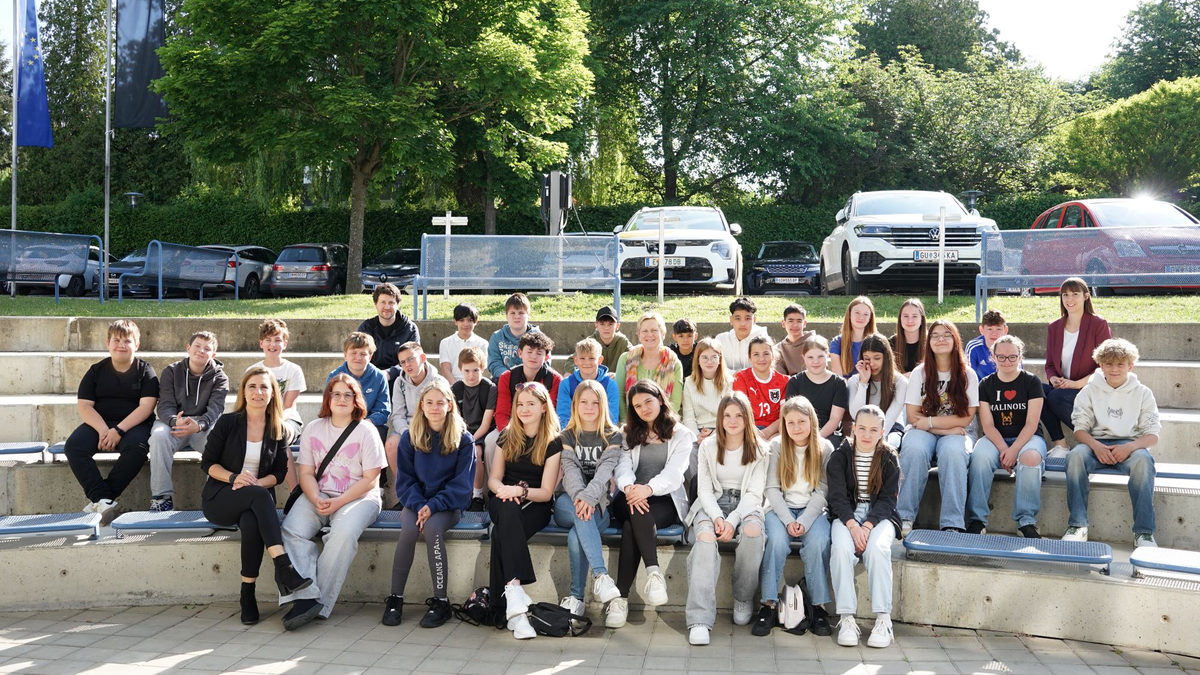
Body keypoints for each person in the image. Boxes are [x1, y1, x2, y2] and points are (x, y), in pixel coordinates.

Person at [200, 367, 310, 626]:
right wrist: (233, 477)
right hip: (221, 497)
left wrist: (257, 483)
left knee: (252, 521)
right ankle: (284, 568)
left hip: (255, 502)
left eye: (264, 387)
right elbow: (207, 463)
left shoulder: (278, 429)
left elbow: (280, 473)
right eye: (252, 386)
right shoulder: (228, 422)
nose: (258, 392)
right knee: (260, 498)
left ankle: (247, 594)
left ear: (273, 394)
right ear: (244, 392)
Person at [279, 374, 387, 629]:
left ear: (355, 400)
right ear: (328, 398)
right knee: (290, 531)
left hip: (359, 497)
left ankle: (317, 601)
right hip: (319, 493)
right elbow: (305, 472)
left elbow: (372, 479)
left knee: (343, 534)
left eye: (347, 394)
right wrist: (315, 497)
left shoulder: (366, 430)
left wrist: (338, 504)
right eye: (336, 394)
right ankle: (305, 596)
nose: (341, 399)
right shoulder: (314, 428)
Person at [384, 380, 475, 628]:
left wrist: (433, 506)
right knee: (410, 530)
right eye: (429, 402)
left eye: (440, 402)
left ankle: (441, 601)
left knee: (433, 529)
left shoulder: (463, 439)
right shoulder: (410, 437)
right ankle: (395, 598)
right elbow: (405, 481)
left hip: (448, 505)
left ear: (449, 405)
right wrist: (420, 504)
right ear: (421, 406)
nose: (434, 408)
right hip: (416, 502)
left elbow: (461, 486)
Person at [608, 380, 696, 629]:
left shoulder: (682, 434)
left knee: (631, 527)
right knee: (636, 509)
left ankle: (620, 599)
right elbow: (622, 467)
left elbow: (675, 473)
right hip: (628, 496)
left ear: (660, 398)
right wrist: (631, 488)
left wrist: (647, 489)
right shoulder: (627, 433)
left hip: (663, 500)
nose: (644, 408)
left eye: (648, 401)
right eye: (637, 406)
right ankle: (654, 573)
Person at [684, 392, 768, 646]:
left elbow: (754, 494)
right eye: (727, 415)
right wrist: (719, 517)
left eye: (739, 415)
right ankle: (699, 618)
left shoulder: (761, 449)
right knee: (706, 538)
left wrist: (733, 520)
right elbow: (705, 490)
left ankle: (742, 596)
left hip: (746, 504)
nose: (732, 421)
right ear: (720, 418)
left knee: (753, 533)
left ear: (747, 418)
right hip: (712, 504)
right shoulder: (708, 447)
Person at [1064, 338, 1160, 547]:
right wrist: (1096, 446)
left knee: (1144, 462)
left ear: (1130, 366)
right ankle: (1078, 525)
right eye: (1109, 364)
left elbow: (1152, 435)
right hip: (1094, 443)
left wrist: (1130, 447)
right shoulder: (1088, 391)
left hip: (1129, 444)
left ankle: (1144, 532)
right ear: (1100, 365)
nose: (1114, 369)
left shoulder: (1143, 393)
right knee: (1074, 457)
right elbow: (1080, 430)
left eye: (1120, 364)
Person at [486, 381, 563, 640]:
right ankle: (516, 593)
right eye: (520, 404)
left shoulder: (553, 442)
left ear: (544, 407)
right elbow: (494, 479)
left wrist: (519, 491)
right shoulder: (507, 435)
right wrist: (504, 491)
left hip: (535, 503)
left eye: (531, 404)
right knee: (506, 512)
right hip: (502, 497)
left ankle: (511, 609)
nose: (524, 409)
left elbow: (546, 492)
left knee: (500, 534)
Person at [755, 396, 833, 638]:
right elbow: (771, 489)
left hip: (812, 510)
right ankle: (768, 604)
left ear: (812, 421)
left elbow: (822, 490)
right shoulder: (777, 446)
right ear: (783, 424)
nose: (797, 427)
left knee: (819, 541)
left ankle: (818, 606)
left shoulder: (824, 448)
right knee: (776, 541)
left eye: (802, 421)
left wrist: (805, 521)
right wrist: (789, 520)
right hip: (780, 509)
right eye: (791, 423)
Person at [67, 319, 159, 522]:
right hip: (100, 422)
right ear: (107, 343)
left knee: (138, 447)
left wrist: (117, 430)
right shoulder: (95, 371)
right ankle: (103, 499)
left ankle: (101, 499)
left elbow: (146, 407)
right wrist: (103, 430)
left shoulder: (146, 372)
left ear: (137, 345)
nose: (121, 345)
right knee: (74, 446)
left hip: (134, 424)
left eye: (128, 340)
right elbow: (84, 406)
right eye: (116, 340)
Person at [827, 405, 901, 649]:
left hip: (879, 516)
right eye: (861, 428)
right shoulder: (840, 456)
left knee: (878, 550)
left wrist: (867, 526)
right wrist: (852, 525)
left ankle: (883, 619)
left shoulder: (889, 457)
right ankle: (846, 618)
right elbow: (837, 497)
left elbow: (889, 499)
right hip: (846, 515)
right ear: (853, 429)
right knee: (840, 550)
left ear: (882, 431)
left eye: (873, 430)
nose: (867, 435)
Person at [897, 320, 979, 535]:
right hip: (925, 429)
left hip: (953, 430)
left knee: (953, 452)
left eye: (946, 335)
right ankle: (903, 517)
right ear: (928, 342)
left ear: (955, 340)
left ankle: (952, 522)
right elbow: (913, 416)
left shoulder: (968, 374)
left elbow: (966, 418)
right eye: (935, 335)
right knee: (914, 448)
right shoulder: (919, 373)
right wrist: (942, 429)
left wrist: (931, 423)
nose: (940, 339)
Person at [553, 380, 625, 620]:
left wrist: (589, 499)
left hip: (599, 505)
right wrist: (582, 498)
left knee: (577, 534)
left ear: (603, 405)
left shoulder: (613, 436)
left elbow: (605, 471)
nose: (589, 407)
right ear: (575, 405)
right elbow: (571, 471)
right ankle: (601, 576)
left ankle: (577, 598)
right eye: (583, 401)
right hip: (568, 502)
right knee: (580, 513)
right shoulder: (567, 435)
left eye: (595, 402)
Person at [966, 336, 1046, 537]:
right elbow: (988, 425)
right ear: (993, 357)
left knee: (1029, 458)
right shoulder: (985, 384)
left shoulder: (1031, 381)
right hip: (996, 438)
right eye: (1001, 357)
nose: (1007, 361)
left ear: (1020, 357)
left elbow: (1031, 424)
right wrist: (1004, 450)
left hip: (1028, 438)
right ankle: (977, 519)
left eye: (1012, 357)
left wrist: (1014, 450)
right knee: (980, 457)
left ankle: (1026, 522)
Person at [149, 331, 228, 512]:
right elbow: (165, 404)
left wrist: (199, 425)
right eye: (197, 346)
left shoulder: (220, 378)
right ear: (188, 348)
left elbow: (215, 409)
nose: (201, 351)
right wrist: (172, 421)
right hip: (174, 423)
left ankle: (214, 499)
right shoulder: (171, 371)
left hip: (202, 425)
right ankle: (162, 498)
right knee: (159, 437)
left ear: (213, 354)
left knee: (221, 441)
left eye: (207, 349)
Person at [1041, 277, 1112, 456]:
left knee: (1056, 398)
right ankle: (1061, 445)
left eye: (1075, 294)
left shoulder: (1098, 324)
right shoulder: (1054, 327)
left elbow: (1106, 365)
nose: (1069, 299)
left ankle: (1095, 441)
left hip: (1089, 387)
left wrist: (1075, 384)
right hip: (1062, 388)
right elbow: (1050, 364)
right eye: (1065, 295)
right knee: (1036, 390)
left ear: (1086, 296)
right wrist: (1053, 378)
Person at [385, 342, 447, 494]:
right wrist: (406, 433)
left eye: (410, 359)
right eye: (403, 362)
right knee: (392, 444)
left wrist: (424, 431)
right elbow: (398, 414)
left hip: (432, 426)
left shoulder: (439, 382)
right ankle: (405, 491)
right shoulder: (400, 382)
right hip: (408, 427)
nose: (407, 365)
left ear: (423, 358)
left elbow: (444, 414)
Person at [251, 319, 306, 488]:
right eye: (268, 340)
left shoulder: (293, 370)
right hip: (259, 419)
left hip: (287, 419)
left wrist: (275, 421)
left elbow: (290, 405)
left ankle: (294, 492)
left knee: (278, 434)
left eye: (277, 340)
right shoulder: (253, 371)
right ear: (261, 343)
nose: (272, 344)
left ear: (285, 343)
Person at [451, 347, 496, 512]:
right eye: (467, 370)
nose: (471, 375)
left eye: (476, 370)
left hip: (483, 433)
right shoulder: (456, 389)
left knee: (476, 452)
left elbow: (486, 423)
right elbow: (455, 419)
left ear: (483, 368)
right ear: (460, 370)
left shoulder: (490, 388)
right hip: (462, 431)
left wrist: (470, 439)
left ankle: (477, 496)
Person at [615, 312, 685, 420]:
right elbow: (619, 395)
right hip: (632, 423)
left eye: (654, 330)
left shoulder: (674, 363)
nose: (649, 334)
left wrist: (660, 425)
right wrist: (627, 422)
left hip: (664, 424)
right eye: (644, 331)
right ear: (639, 335)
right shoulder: (625, 359)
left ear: (663, 334)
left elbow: (675, 403)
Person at [783, 335, 848, 445]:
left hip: (828, 434)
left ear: (827, 356)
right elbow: (789, 414)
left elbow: (835, 418)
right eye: (810, 357)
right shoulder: (795, 382)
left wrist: (817, 438)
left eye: (820, 357)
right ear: (803, 357)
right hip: (801, 430)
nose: (816, 361)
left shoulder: (838, 383)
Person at [846, 333, 908, 449]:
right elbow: (856, 414)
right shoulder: (854, 381)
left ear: (886, 357)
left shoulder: (900, 382)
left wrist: (877, 438)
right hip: (862, 427)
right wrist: (863, 383)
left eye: (877, 358)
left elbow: (891, 416)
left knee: (888, 444)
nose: (872, 363)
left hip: (891, 428)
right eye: (867, 359)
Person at [326, 332, 391, 441]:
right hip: (341, 422)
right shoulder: (334, 376)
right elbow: (329, 407)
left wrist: (364, 425)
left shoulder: (379, 377)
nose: (358, 357)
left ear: (370, 356)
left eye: (363, 354)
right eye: (353, 353)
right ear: (345, 355)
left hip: (368, 423)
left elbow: (383, 410)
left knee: (378, 431)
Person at [357, 283, 421, 382]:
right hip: (371, 378)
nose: (387, 307)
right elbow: (359, 356)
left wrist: (389, 373)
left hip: (401, 378)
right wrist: (376, 374)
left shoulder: (410, 329)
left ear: (397, 304)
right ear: (375, 304)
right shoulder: (366, 328)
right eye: (383, 302)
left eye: (391, 303)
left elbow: (413, 360)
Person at [733, 335, 789, 441]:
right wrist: (753, 433)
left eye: (766, 354)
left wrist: (767, 433)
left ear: (773, 355)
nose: (761, 359)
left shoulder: (785, 381)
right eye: (756, 354)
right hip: (748, 428)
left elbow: (784, 416)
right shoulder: (741, 377)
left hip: (775, 430)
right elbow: (740, 412)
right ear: (749, 357)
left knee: (776, 443)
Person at [556, 337, 619, 428]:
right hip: (574, 434)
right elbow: (563, 416)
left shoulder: (610, 384)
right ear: (576, 360)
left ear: (600, 360)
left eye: (591, 358)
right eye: (582, 358)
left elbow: (612, 417)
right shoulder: (566, 384)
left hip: (602, 434)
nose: (587, 362)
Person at [682, 338, 732, 445]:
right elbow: (688, 416)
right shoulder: (689, 383)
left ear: (719, 360)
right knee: (691, 453)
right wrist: (696, 436)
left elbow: (730, 414)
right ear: (698, 360)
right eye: (704, 358)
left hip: (723, 430)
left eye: (714, 357)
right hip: (697, 430)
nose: (709, 362)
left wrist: (714, 434)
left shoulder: (729, 382)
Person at [488, 293, 540, 379]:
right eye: (512, 313)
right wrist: (511, 376)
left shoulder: (538, 337)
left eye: (521, 313)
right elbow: (494, 364)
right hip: (504, 380)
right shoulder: (497, 337)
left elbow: (545, 362)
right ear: (506, 316)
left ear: (528, 315)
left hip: (531, 380)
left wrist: (524, 377)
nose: (517, 317)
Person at [714, 296, 769, 372]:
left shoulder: (762, 339)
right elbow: (716, 367)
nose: (743, 323)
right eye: (738, 318)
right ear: (731, 320)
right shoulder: (722, 339)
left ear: (754, 320)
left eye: (747, 318)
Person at [438, 303, 488, 383]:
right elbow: (446, 369)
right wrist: (456, 388)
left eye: (470, 320)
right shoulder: (445, 343)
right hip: (452, 386)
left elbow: (481, 369)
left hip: (474, 385)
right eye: (461, 320)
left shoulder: (482, 343)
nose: (466, 324)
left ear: (476, 321)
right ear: (455, 321)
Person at [831, 296, 877, 377]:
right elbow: (838, 378)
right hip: (846, 387)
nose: (861, 317)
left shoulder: (877, 342)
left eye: (866, 314)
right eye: (857, 313)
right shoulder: (837, 342)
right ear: (849, 314)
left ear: (870, 318)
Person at [965, 310, 1010, 380]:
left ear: (1005, 330)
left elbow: (1017, 374)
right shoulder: (974, 347)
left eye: (998, 329)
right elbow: (968, 376)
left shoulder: (1012, 347)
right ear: (981, 330)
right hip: (980, 388)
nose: (994, 333)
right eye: (990, 329)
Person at [773, 303, 816, 376]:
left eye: (799, 321)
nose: (795, 325)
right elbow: (781, 377)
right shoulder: (778, 349)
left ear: (804, 323)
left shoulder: (816, 343)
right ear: (783, 323)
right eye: (791, 321)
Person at [890, 299, 927, 375]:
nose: (910, 321)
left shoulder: (931, 342)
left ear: (921, 320)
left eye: (914, 316)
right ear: (900, 319)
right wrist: (901, 378)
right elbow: (885, 374)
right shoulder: (890, 344)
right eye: (906, 316)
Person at [591, 305, 631, 374]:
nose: (606, 328)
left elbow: (636, 360)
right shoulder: (591, 342)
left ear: (617, 326)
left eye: (610, 324)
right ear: (596, 325)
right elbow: (570, 362)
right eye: (602, 324)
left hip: (617, 380)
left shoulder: (623, 342)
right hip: (595, 380)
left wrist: (619, 375)